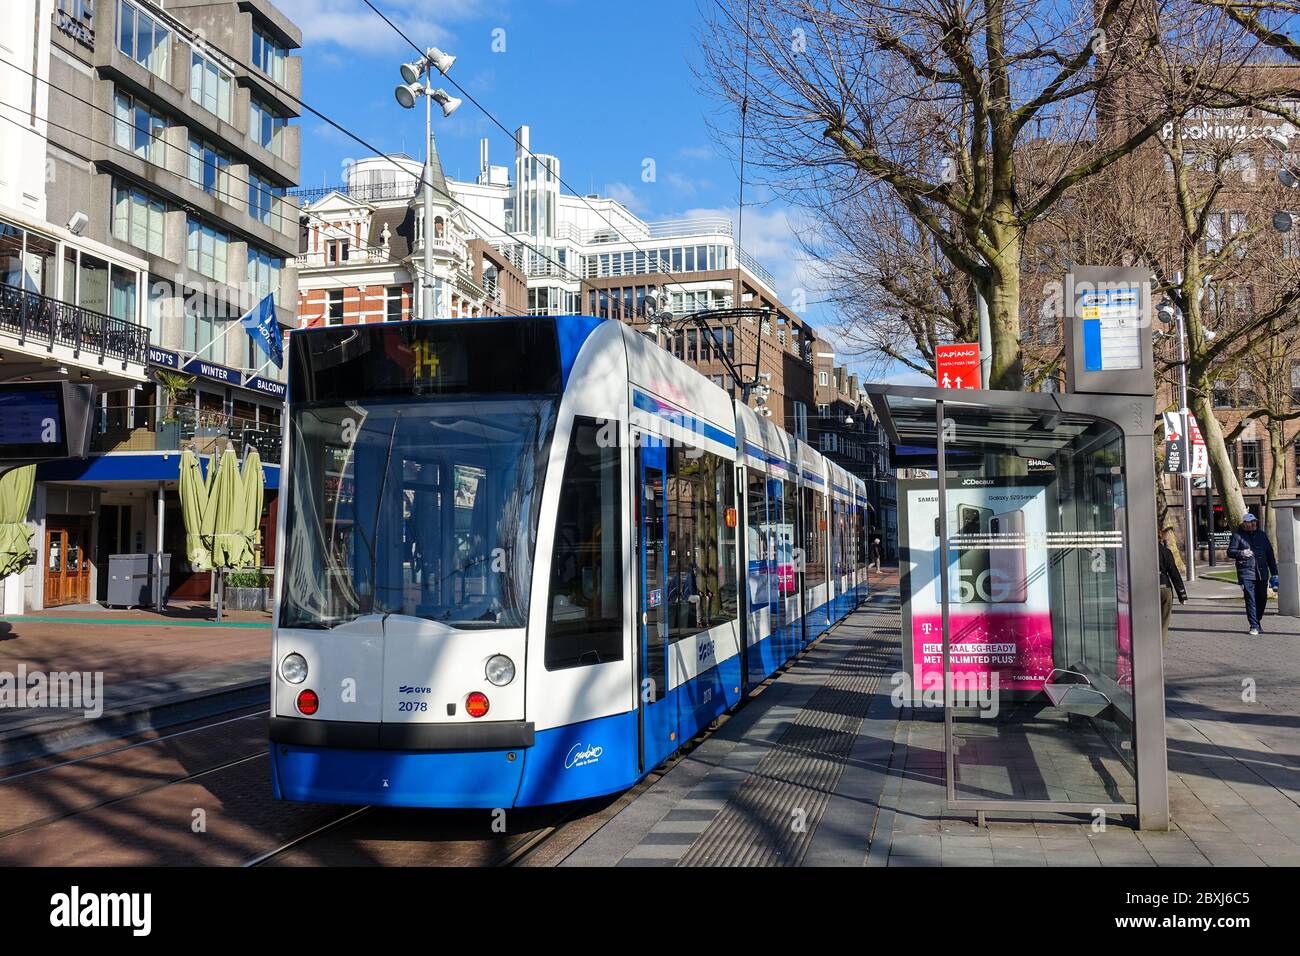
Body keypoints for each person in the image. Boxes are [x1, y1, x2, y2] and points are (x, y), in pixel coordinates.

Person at [1226, 512, 1279, 636]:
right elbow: (1230, 551)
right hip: (1246, 573)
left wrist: (1275, 573)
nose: (1254, 523)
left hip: (1262, 573)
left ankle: (1257, 620)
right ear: (1245, 523)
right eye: (1251, 522)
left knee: (1262, 598)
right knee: (1250, 599)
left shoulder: (1262, 535)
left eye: (1255, 521)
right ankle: (1254, 625)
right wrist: (1241, 553)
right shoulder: (1237, 536)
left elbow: (1270, 555)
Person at [1158, 533, 1187, 643]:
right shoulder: (1166, 552)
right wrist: (1182, 594)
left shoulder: (1142, 553)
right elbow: (1174, 573)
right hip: (1165, 587)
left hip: (1147, 589)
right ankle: (1160, 645)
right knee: (1164, 621)